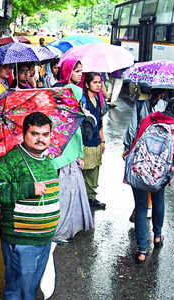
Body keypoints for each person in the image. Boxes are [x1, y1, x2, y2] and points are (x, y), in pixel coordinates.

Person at [0, 112, 60, 300]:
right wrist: (27, 188)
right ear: (24, 134)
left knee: (31, 288)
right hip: (21, 240)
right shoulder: (11, 160)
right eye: (35, 133)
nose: (40, 139)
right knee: (17, 289)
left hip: (44, 239)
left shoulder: (48, 160)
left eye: (45, 134)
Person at [127, 97, 174, 263]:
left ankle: (141, 250)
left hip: (139, 170)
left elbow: (137, 142)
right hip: (159, 176)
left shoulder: (149, 119)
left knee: (140, 207)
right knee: (158, 201)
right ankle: (157, 236)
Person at [51, 60, 94, 243]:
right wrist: (80, 154)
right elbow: (75, 129)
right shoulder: (74, 91)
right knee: (67, 194)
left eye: (81, 71)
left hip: (57, 151)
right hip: (68, 152)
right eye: (76, 71)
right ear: (68, 72)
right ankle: (62, 230)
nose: (79, 74)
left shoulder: (55, 90)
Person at [123, 87, 166, 221]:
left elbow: (132, 128)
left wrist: (128, 147)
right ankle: (147, 208)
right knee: (153, 179)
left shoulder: (140, 104)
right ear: (163, 93)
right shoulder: (165, 106)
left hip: (140, 149)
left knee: (139, 179)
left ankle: (140, 208)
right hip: (158, 151)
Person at [81, 72, 107, 210]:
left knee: (95, 172)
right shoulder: (83, 100)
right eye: (95, 82)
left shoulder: (98, 99)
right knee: (85, 172)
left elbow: (100, 122)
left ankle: (91, 198)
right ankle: (84, 200)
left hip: (96, 141)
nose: (98, 85)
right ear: (87, 84)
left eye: (99, 82)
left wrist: (103, 141)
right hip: (86, 143)